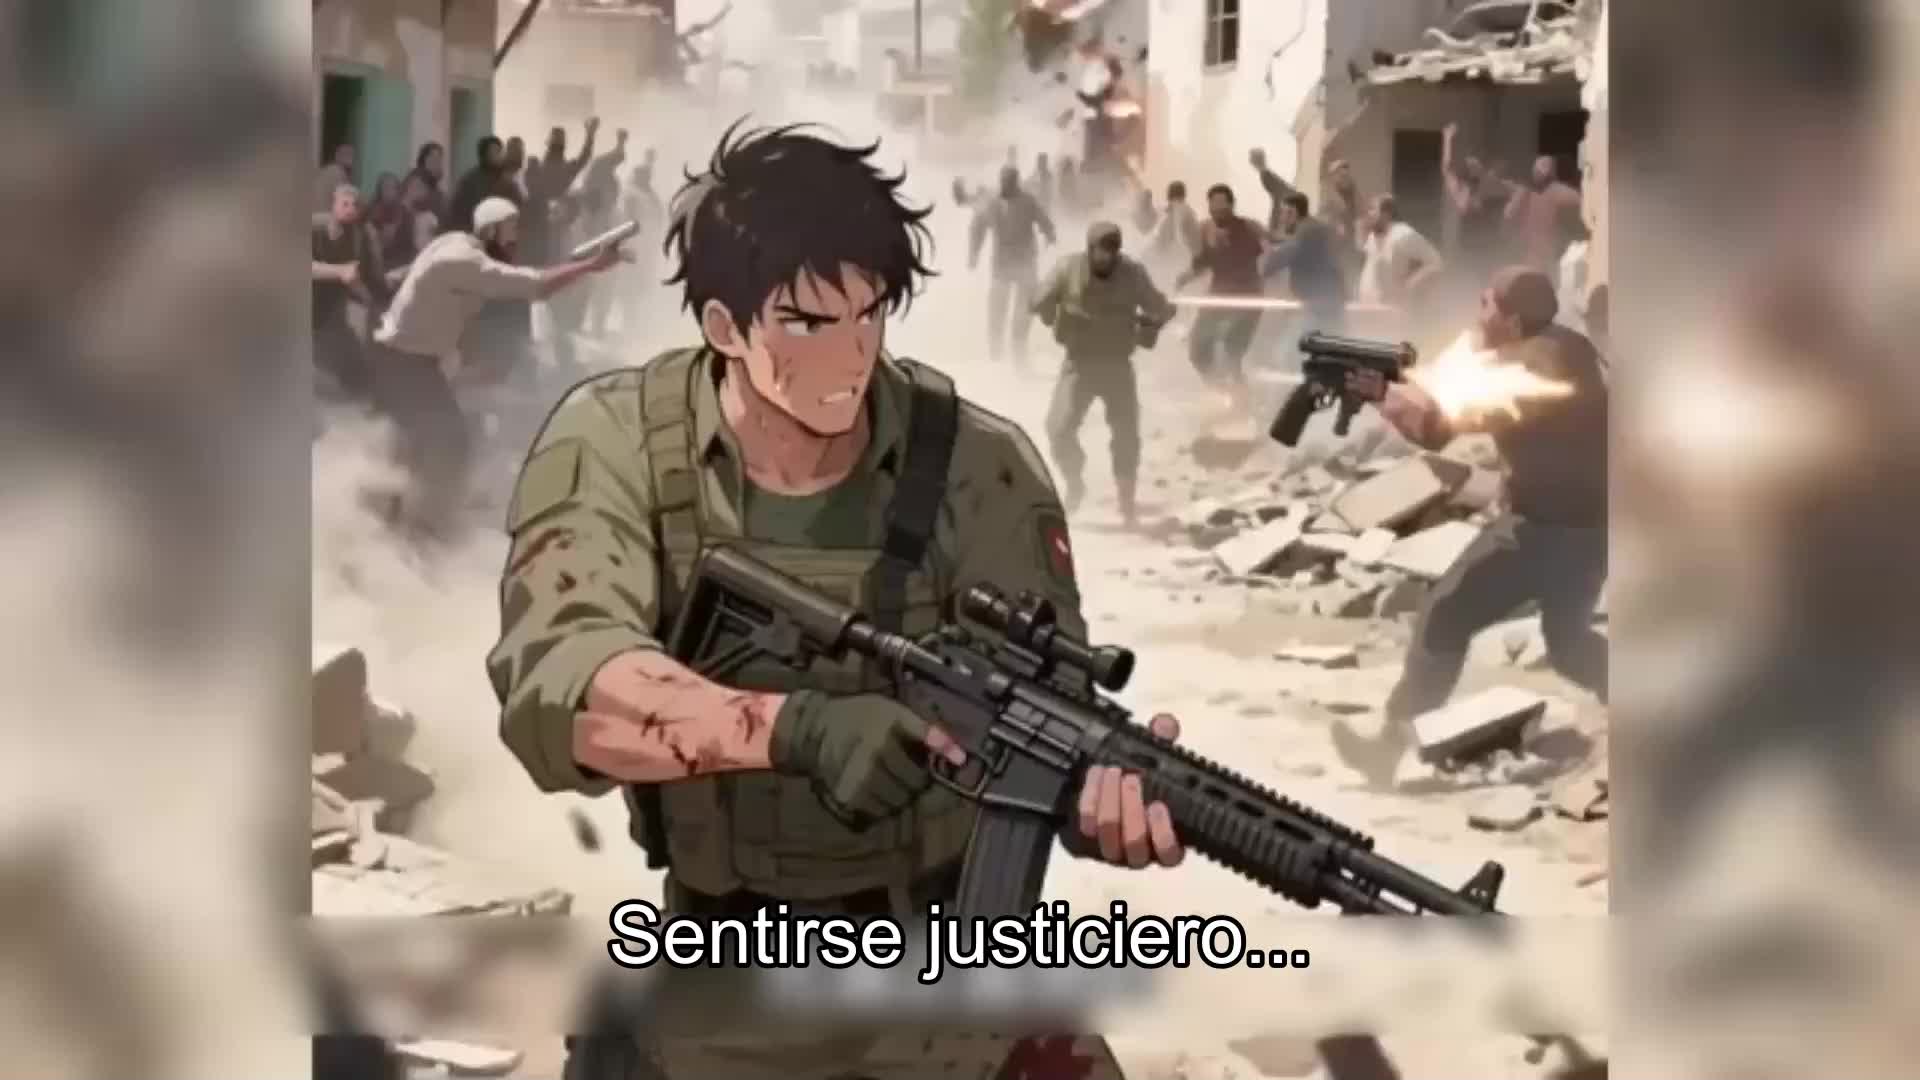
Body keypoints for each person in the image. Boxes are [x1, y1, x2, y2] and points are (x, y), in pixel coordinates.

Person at [489, 122, 1187, 1080]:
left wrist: (1095, 802)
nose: (850, 356)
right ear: (724, 326)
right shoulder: (619, 441)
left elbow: (1045, 712)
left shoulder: (979, 464)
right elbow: (564, 688)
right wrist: (799, 730)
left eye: (870, 315)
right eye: (808, 324)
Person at [1331, 267, 1608, 786]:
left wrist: (1383, 395)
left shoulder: (1531, 368)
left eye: (1486, 306)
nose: (1478, 317)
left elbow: (1436, 430)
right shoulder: (1560, 349)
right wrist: (1394, 389)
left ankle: (1388, 748)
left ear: (1513, 319)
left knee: (1446, 614)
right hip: (1583, 529)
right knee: (1569, 644)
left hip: (1545, 531)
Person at [369, 196, 622, 541]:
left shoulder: (456, 243)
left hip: (411, 361)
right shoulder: (465, 261)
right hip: (403, 362)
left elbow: (422, 271)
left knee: (423, 441)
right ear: (489, 231)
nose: (516, 239)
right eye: (510, 230)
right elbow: (536, 286)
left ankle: (400, 517)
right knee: (449, 442)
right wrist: (592, 265)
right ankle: (420, 527)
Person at [1034, 221, 1175, 526]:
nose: (1106, 257)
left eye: (1113, 250)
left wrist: (1153, 324)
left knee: (1126, 434)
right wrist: (1048, 307)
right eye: (1101, 250)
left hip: (1116, 364)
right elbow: (1039, 298)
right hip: (1079, 363)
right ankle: (1075, 480)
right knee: (1058, 428)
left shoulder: (1132, 274)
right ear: (1090, 248)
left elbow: (1160, 306)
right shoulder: (1068, 268)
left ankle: (1127, 503)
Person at [1175, 183, 1267, 408]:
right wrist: (1184, 278)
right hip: (1218, 297)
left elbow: (1269, 251)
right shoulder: (1205, 230)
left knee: (1230, 349)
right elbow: (1201, 263)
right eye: (1212, 205)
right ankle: (1223, 391)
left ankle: (1242, 399)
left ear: (1231, 206)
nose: (1216, 210)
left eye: (1221, 205)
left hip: (1247, 299)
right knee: (1197, 349)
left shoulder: (1249, 228)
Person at [969, 163, 1058, 368]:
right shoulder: (992, 203)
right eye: (1003, 181)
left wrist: (1050, 234)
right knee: (997, 306)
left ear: (1016, 182)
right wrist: (974, 253)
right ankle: (996, 349)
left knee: (1024, 308)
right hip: (1002, 263)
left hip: (1025, 261)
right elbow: (977, 227)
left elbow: (1043, 220)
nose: (1005, 185)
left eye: (1009, 181)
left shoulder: (1027, 201)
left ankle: (1019, 350)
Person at [311, 183, 377, 405]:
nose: (350, 209)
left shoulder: (356, 236)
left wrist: (371, 302)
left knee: (355, 365)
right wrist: (339, 271)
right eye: (345, 204)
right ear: (333, 204)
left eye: (355, 205)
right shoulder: (314, 226)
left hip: (330, 313)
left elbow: (353, 275)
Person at [1259, 191, 1348, 339]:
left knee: (1294, 349)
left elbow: (1272, 265)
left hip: (1316, 307)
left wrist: (1268, 251)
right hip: (1329, 303)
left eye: (1283, 213)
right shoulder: (1317, 229)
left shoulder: (1305, 233)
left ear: (1293, 213)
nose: (1281, 219)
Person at [1357, 195, 1444, 327]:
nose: (1368, 214)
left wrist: (1410, 284)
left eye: (1372, 209)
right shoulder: (1373, 235)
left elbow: (1435, 262)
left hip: (1392, 314)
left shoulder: (1403, 234)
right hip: (1370, 311)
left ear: (1386, 214)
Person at [1441, 124, 1506, 289]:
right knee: (1469, 279)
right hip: (1468, 242)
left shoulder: (1486, 185)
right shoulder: (1462, 188)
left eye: (1476, 164)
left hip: (1485, 244)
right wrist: (1447, 140)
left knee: (1482, 278)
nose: (1474, 165)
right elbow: (1446, 168)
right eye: (1471, 164)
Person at [1505, 154, 1584, 274]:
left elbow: (1509, 214)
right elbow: (1509, 214)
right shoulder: (1529, 192)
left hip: (1543, 251)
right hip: (1535, 251)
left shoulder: (1553, 191)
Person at [1248, 147, 1298, 235]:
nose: (1251, 163)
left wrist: (1274, 219)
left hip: (1289, 203)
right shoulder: (1266, 174)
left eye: (1252, 159)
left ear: (1255, 161)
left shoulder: (1266, 175)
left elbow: (1278, 195)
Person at [314, 141, 355, 212]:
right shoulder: (337, 172)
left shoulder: (328, 170)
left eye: (351, 155)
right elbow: (345, 202)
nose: (350, 158)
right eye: (346, 154)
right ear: (337, 155)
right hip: (324, 214)